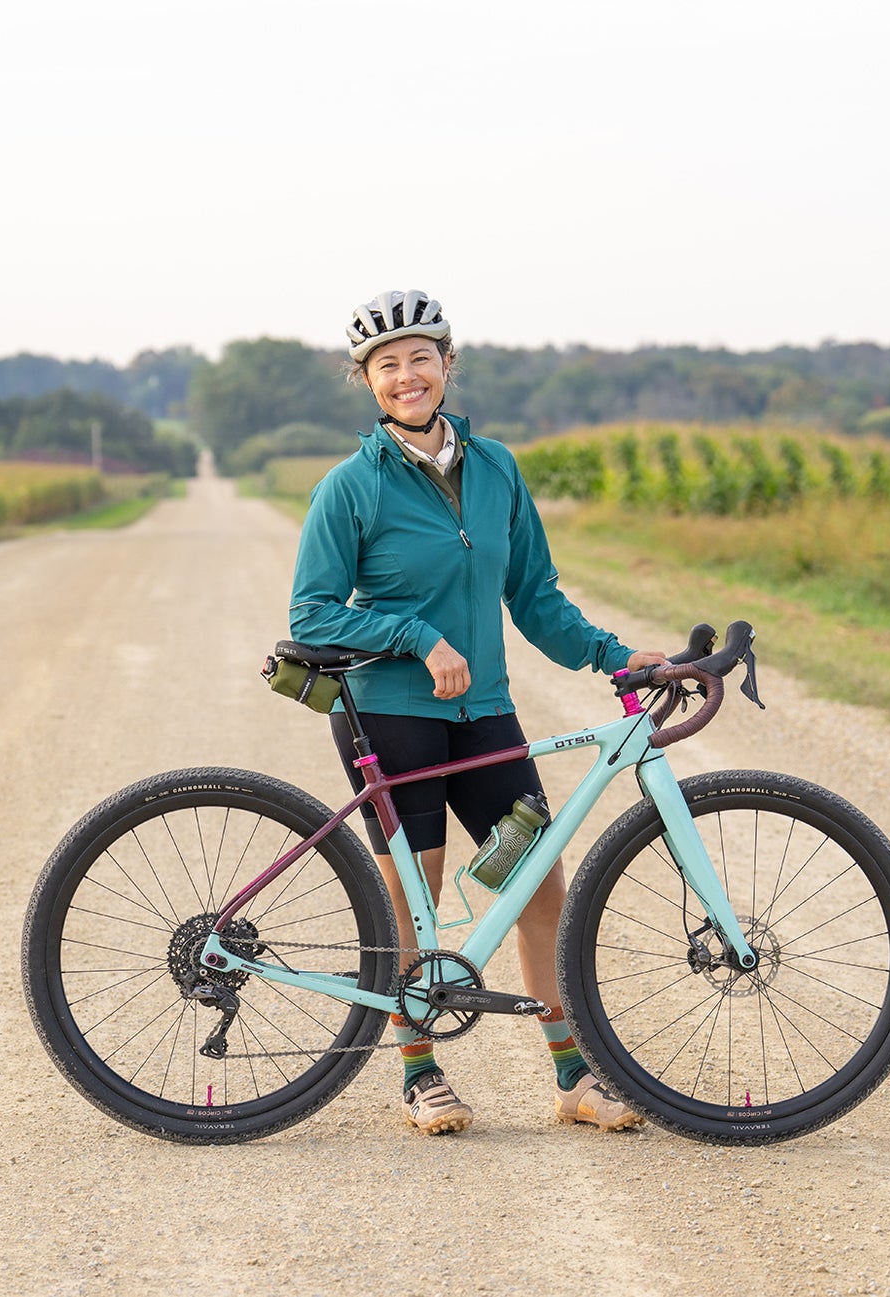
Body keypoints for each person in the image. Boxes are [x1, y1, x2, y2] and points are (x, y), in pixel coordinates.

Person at [288, 290, 668, 1135]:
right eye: (386, 364)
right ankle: (419, 1071)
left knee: (539, 887)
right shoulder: (351, 487)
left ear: (448, 365)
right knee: (411, 895)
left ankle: (573, 1075)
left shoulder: (495, 468)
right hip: (392, 711)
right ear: (367, 383)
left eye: (420, 357)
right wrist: (416, 635)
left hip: (484, 710)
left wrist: (613, 653)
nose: (406, 374)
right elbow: (311, 614)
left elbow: (535, 596)